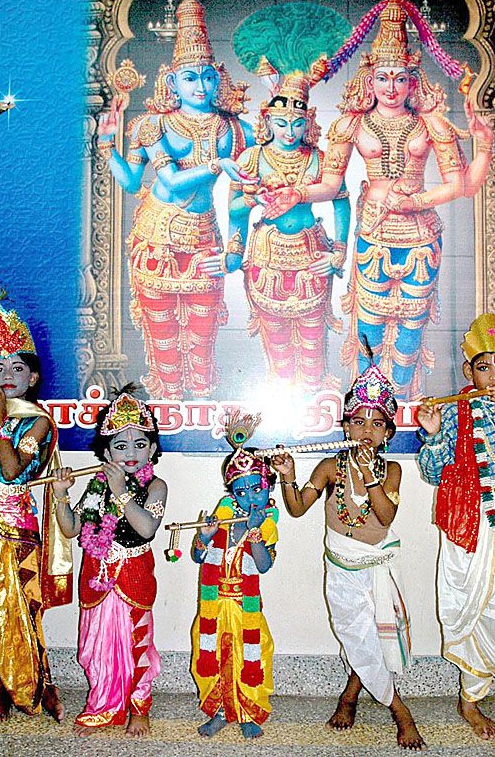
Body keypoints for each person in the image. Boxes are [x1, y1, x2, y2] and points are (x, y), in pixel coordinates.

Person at [261, 0, 493, 400]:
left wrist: (484, 147)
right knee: (368, 322)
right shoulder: (351, 124)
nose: (391, 87)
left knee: (412, 326)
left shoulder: (431, 123)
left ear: (412, 81)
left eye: (400, 78)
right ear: (369, 81)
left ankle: (402, 405)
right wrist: (297, 193)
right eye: (383, 77)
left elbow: (462, 186)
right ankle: (369, 408)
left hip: (420, 236)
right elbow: (330, 185)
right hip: (373, 231)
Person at [98, 0, 254, 399]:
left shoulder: (236, 130)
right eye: (190, 77)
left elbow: (240, 201)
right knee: (163, 340)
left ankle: (200, 409)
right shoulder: (154, 125)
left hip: (204, 239)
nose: (201, 86)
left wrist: (234, 251)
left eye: (207, 76)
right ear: (172, 81)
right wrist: (106, 145)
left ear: (217, 76)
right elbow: (145, 182)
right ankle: (167, 409)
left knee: (202, 341)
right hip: (156, 240)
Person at [273, 363, 426, 750]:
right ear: (345, 428)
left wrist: (370, 476)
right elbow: (296, 508)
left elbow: (385, 517)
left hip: (378, 568)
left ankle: (350, 695)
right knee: (357, 636)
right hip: (342, 569)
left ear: (388, 433)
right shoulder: (330, 468)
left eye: (377, 423)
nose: (366, 431)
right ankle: (400, 710)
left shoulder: (392, 471)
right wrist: (288, 475)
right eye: (358, 422)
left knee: (373, 637)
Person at [205, 2, 350, 391]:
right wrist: (235, 246)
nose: (289, 132)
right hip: (265, 254)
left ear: (308, 122)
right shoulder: (251, 157)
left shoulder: (318, 159)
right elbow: (235, 210)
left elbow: (341, 201)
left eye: (297, 123)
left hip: (311, 251)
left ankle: (316, 397)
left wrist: (339, 252)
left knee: (313, 339)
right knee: (276, 342)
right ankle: (280, 395)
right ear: (267, 121)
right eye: (282, 123)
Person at [52, 388, 167, 737]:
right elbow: (71, 529)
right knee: (96, 646)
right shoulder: (96, 486)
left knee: (136, 642)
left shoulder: (156, 486)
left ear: (152, 449)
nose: (131, 453)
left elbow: (146, 528)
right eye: (120, 445)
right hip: (96, 574)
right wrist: (61, 495)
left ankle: (139, 708)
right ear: (106, 452)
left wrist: (121, 492)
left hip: (134, 574)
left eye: (140, 444)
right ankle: (102, 705)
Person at [417, 313, 495, 741]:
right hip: (471, 527)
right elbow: (432, 473)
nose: (493, 377)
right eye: (484, 367)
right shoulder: (455, 411)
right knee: (475, 609)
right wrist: (432, 435)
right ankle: (470, 700)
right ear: (469, 371)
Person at [0, 292, 71, 724]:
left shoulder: (37, 421)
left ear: (33, 377)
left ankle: (26, 685)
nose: (7, 376)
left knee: (19, 609)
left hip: (12, 527)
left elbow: (10, 471)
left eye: (17, 368)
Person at [190, 412, 278, 739]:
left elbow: (264, 565)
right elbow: (198, 556)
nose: (250, 496)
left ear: (268, 487)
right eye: (241, 492)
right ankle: (218, 712)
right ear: (232, 495)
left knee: (251, 657)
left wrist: (254, 532)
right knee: (211, 656)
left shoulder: (265, 526)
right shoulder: (222, 522)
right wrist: (205, 536)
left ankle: (247, 713)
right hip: (214, 608)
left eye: (257, 488)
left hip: (246, 609)